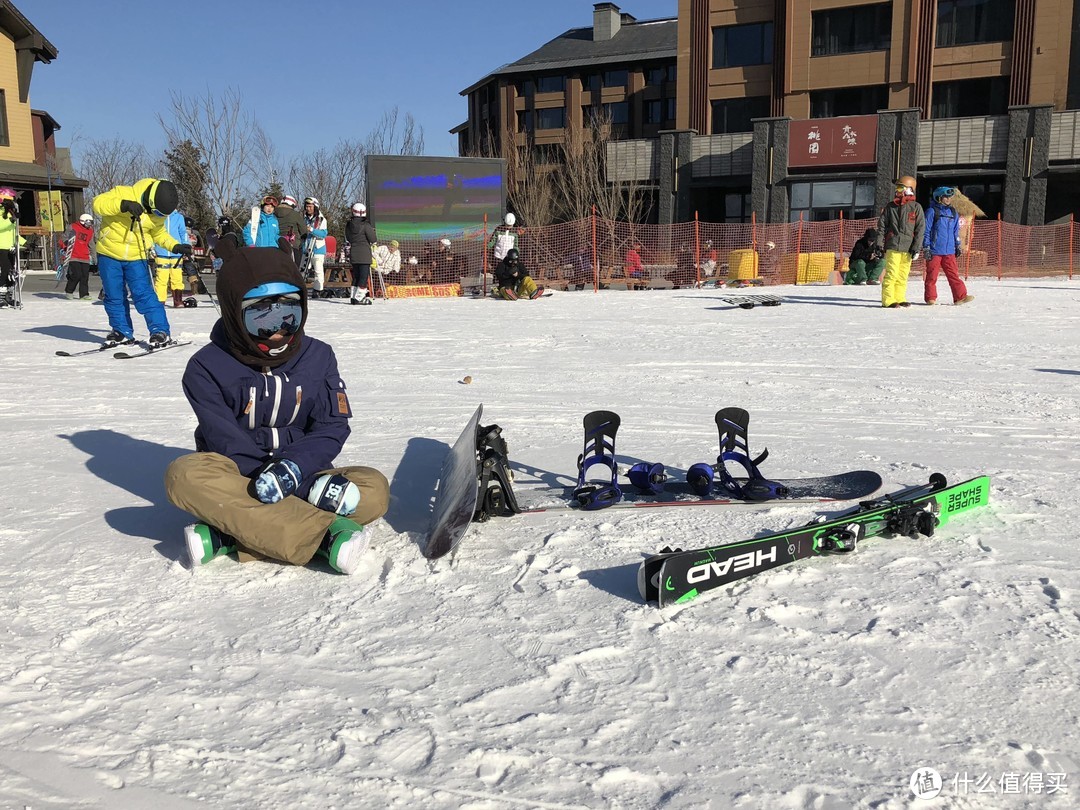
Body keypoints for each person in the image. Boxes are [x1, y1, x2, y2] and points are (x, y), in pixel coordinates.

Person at [164, 234, 390, 574]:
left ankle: (233, 532)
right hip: (238, 476)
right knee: (182, 476)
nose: (279, 331)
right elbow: (226, 441)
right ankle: (326, 537)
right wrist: (290, 485)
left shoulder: (318, 356)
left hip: (306, 469)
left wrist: (296, 470)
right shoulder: (206, 368)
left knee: (373, 489)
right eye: (261, 317)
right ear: (233, 313)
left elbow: (332, 425)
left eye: (290, 313)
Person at [93, 178, 192, 347]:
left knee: (144, 294)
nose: (158, 217)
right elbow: (98, 204)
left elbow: (159, 234)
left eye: (162, 215)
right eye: (158, 213)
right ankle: (121, 331)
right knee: (114, 295)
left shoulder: (157, 214)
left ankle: (160, 331)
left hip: (136, 257)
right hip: (108, 254)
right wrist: (122, 205)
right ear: (150, 201)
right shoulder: (124, 192)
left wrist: (175, 246)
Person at [875, 175, 925, 309]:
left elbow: (920, 229)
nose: (897, 190)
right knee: (891, 273)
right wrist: (879, 244)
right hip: (893, 245)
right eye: (897, 187)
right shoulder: (890, 207)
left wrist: (916, 247)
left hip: (908, 248)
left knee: (903, 274)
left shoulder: (916, 207)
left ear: (909, 189)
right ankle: (888, 300)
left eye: (900, 187)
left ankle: (900, 297)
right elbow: (882, 227)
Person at [923, 187, 974, 306]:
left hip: (949, 250)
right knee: (932, 276)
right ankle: (930, 298)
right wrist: (926, 247)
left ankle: (960, 297)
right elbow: (926, 231)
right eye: (946, 197)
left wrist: (957, 245)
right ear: (939, 198)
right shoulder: (931, 211)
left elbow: (955, 232)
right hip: (935, 250)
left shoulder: (953, 212)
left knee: (954, 275)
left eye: (950, 197)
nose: (948, 199)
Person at [153, 208, 190, 308]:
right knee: (161, 278)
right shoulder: (158, 215)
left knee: (177, 277)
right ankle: (160, 301)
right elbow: (153, 232)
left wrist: (186, 244)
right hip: (161, 252)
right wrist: (151, 247)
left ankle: (178, 300)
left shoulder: (178, 217)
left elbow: (183, 232)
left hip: (176, 253)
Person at [344, 202, 377, 305]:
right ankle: (360, 297)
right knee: (363, 277)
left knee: (356, 276)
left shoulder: (349, 225)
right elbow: (373, 239)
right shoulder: (365, 225)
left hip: (354, 252)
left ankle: (353, 297)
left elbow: (348, 238)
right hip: (364, 253)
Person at [61, 213, 97, 300]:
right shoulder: (73, 227)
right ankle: (69, 291)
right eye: (89, 222)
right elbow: (64, 238)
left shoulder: (90, 231)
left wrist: (94, 257)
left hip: (84, 256)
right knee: (77, 274)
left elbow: (91, 244)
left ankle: (84, 294)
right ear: (83, 221)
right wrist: (66, 244)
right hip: (73, 255)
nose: (90, 224)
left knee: (85, 276)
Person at [0, 189, 25, 308]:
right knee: (4, 271)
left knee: (12, 273)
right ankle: (1, 296)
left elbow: (14, 232)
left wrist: (25, 243)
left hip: (11, 247)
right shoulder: (1, 212)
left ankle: (8, 295)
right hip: (1, 246)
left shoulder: (11, 213)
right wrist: (11, 220)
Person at [300, 197, 328, 295]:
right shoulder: (304, 219)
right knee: (302, 270)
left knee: (318, 271)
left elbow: (323, 234)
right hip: (306, 249)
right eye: (307, 206)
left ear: (315, 207)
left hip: (317, 249)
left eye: (310, 206)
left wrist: (312, 230)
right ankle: (301, 289)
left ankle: (318, 290)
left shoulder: (321, 219)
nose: (308, 209)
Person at [275, 195, 306, 265]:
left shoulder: (273, 213)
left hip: (277, 244)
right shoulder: (295, 214)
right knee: (294, 268)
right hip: (292, 245)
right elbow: (303, 231)